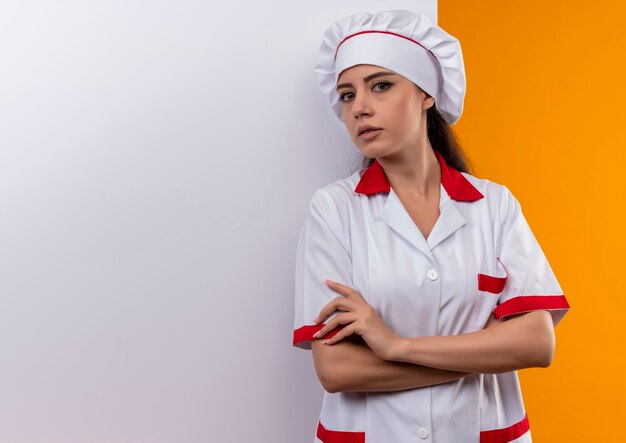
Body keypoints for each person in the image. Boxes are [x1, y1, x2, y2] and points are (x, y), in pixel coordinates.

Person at [292, 9, 570, 443]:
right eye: (347, 95)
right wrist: (484, 348)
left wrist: (394, 346)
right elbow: (337, 369)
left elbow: (536, 343)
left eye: (381, 85)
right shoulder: (334, 210)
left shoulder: (494, 205)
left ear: (426, 95)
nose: (359, 108)